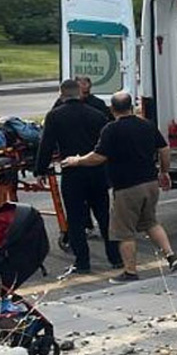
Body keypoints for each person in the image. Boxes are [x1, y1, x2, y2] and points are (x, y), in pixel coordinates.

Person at [61, 92, 177, 283]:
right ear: (131, 107)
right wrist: (164, 171)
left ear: (112, 109)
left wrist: (77, 161)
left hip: (127, 187)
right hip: (150, 183)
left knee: (124, 231)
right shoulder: (147, 125)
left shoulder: (111, 130)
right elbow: (164, 149)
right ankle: (171, 256)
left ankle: (130, 271)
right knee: (150, 222)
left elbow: (98, 157)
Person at [35, 79, 122, 275]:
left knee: (75, 218)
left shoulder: (55, 116)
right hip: (96, 171)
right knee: (104, 215)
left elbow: (46, 145)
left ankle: (83, 262)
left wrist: (40, 170)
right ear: (79, 93)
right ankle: (115, 257)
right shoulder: (97, 115)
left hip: (72, 172)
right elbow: (107, 145)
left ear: (61, 93)